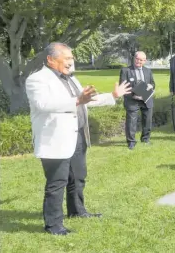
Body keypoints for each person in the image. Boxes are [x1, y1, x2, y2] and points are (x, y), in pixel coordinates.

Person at [25, 42, 131, 235]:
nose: (71, 62)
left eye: (71, 58)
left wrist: (113, 95)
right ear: (50, 59)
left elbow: (86, 100)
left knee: (78, 177)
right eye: (66, 58)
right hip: (55, 140)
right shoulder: (37, 79)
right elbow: (43, 104)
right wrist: (77, 100)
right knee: (57, 183)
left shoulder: (71, 79)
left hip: (78, 135)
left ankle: (77, 211)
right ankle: (53, 225)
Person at [119, 51, 155, 149]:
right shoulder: (126, 70)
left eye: (142, 60)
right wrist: (135, 94)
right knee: (131, 122)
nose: (139, 62)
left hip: (146, 99)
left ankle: (145, 139)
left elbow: (153, 83)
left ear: (145, 61)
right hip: (132, 99)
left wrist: (151, 86)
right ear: (134, 58)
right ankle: (131, 142)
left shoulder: (148, 71)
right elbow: (122, 86)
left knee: (147, 120)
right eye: (138, 59)